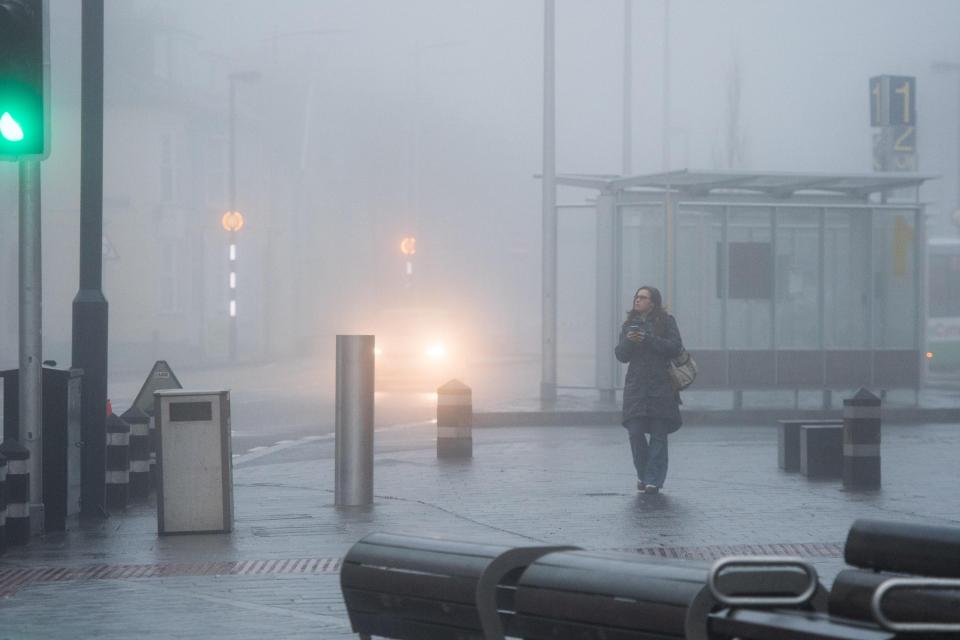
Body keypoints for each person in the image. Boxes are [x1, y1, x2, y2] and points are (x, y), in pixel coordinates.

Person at [614, 286, 684, 494]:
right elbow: (621, 355)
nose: (637, 300)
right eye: (636, 296)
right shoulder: (629, 325)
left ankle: (653, 479)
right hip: (636, 388)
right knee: (635, 433)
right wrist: (629, 340)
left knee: (658, 436)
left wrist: (648, 339)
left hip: (661, 387)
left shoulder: (666, 322)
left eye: (643, 297)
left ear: (653, 303)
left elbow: (675, 347)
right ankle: (643, 474)